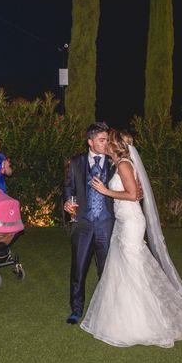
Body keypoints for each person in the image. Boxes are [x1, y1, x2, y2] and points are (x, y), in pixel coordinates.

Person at [81, 130, 182, 347]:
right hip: (123, 222)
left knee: (133, 269)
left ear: (115, 146)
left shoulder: (123, 164)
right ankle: (122, 315)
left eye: (108, 142)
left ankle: (144, 322)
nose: (106, 145)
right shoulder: (121, 164)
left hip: (131, 223)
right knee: (123, 268)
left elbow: (132, 195)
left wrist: (106, 191)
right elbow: (135, 192)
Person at [63, 122, 116, 325]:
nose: (106, 143)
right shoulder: (77, 162)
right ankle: (76, 309)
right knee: (79, 268)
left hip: (106, 222)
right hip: (83, 223)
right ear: (90, 142)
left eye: (107, 140)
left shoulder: (113, 161)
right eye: (102, 140)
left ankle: (107, 310)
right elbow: (68, 186)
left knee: (107, 269)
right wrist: (68, 201)